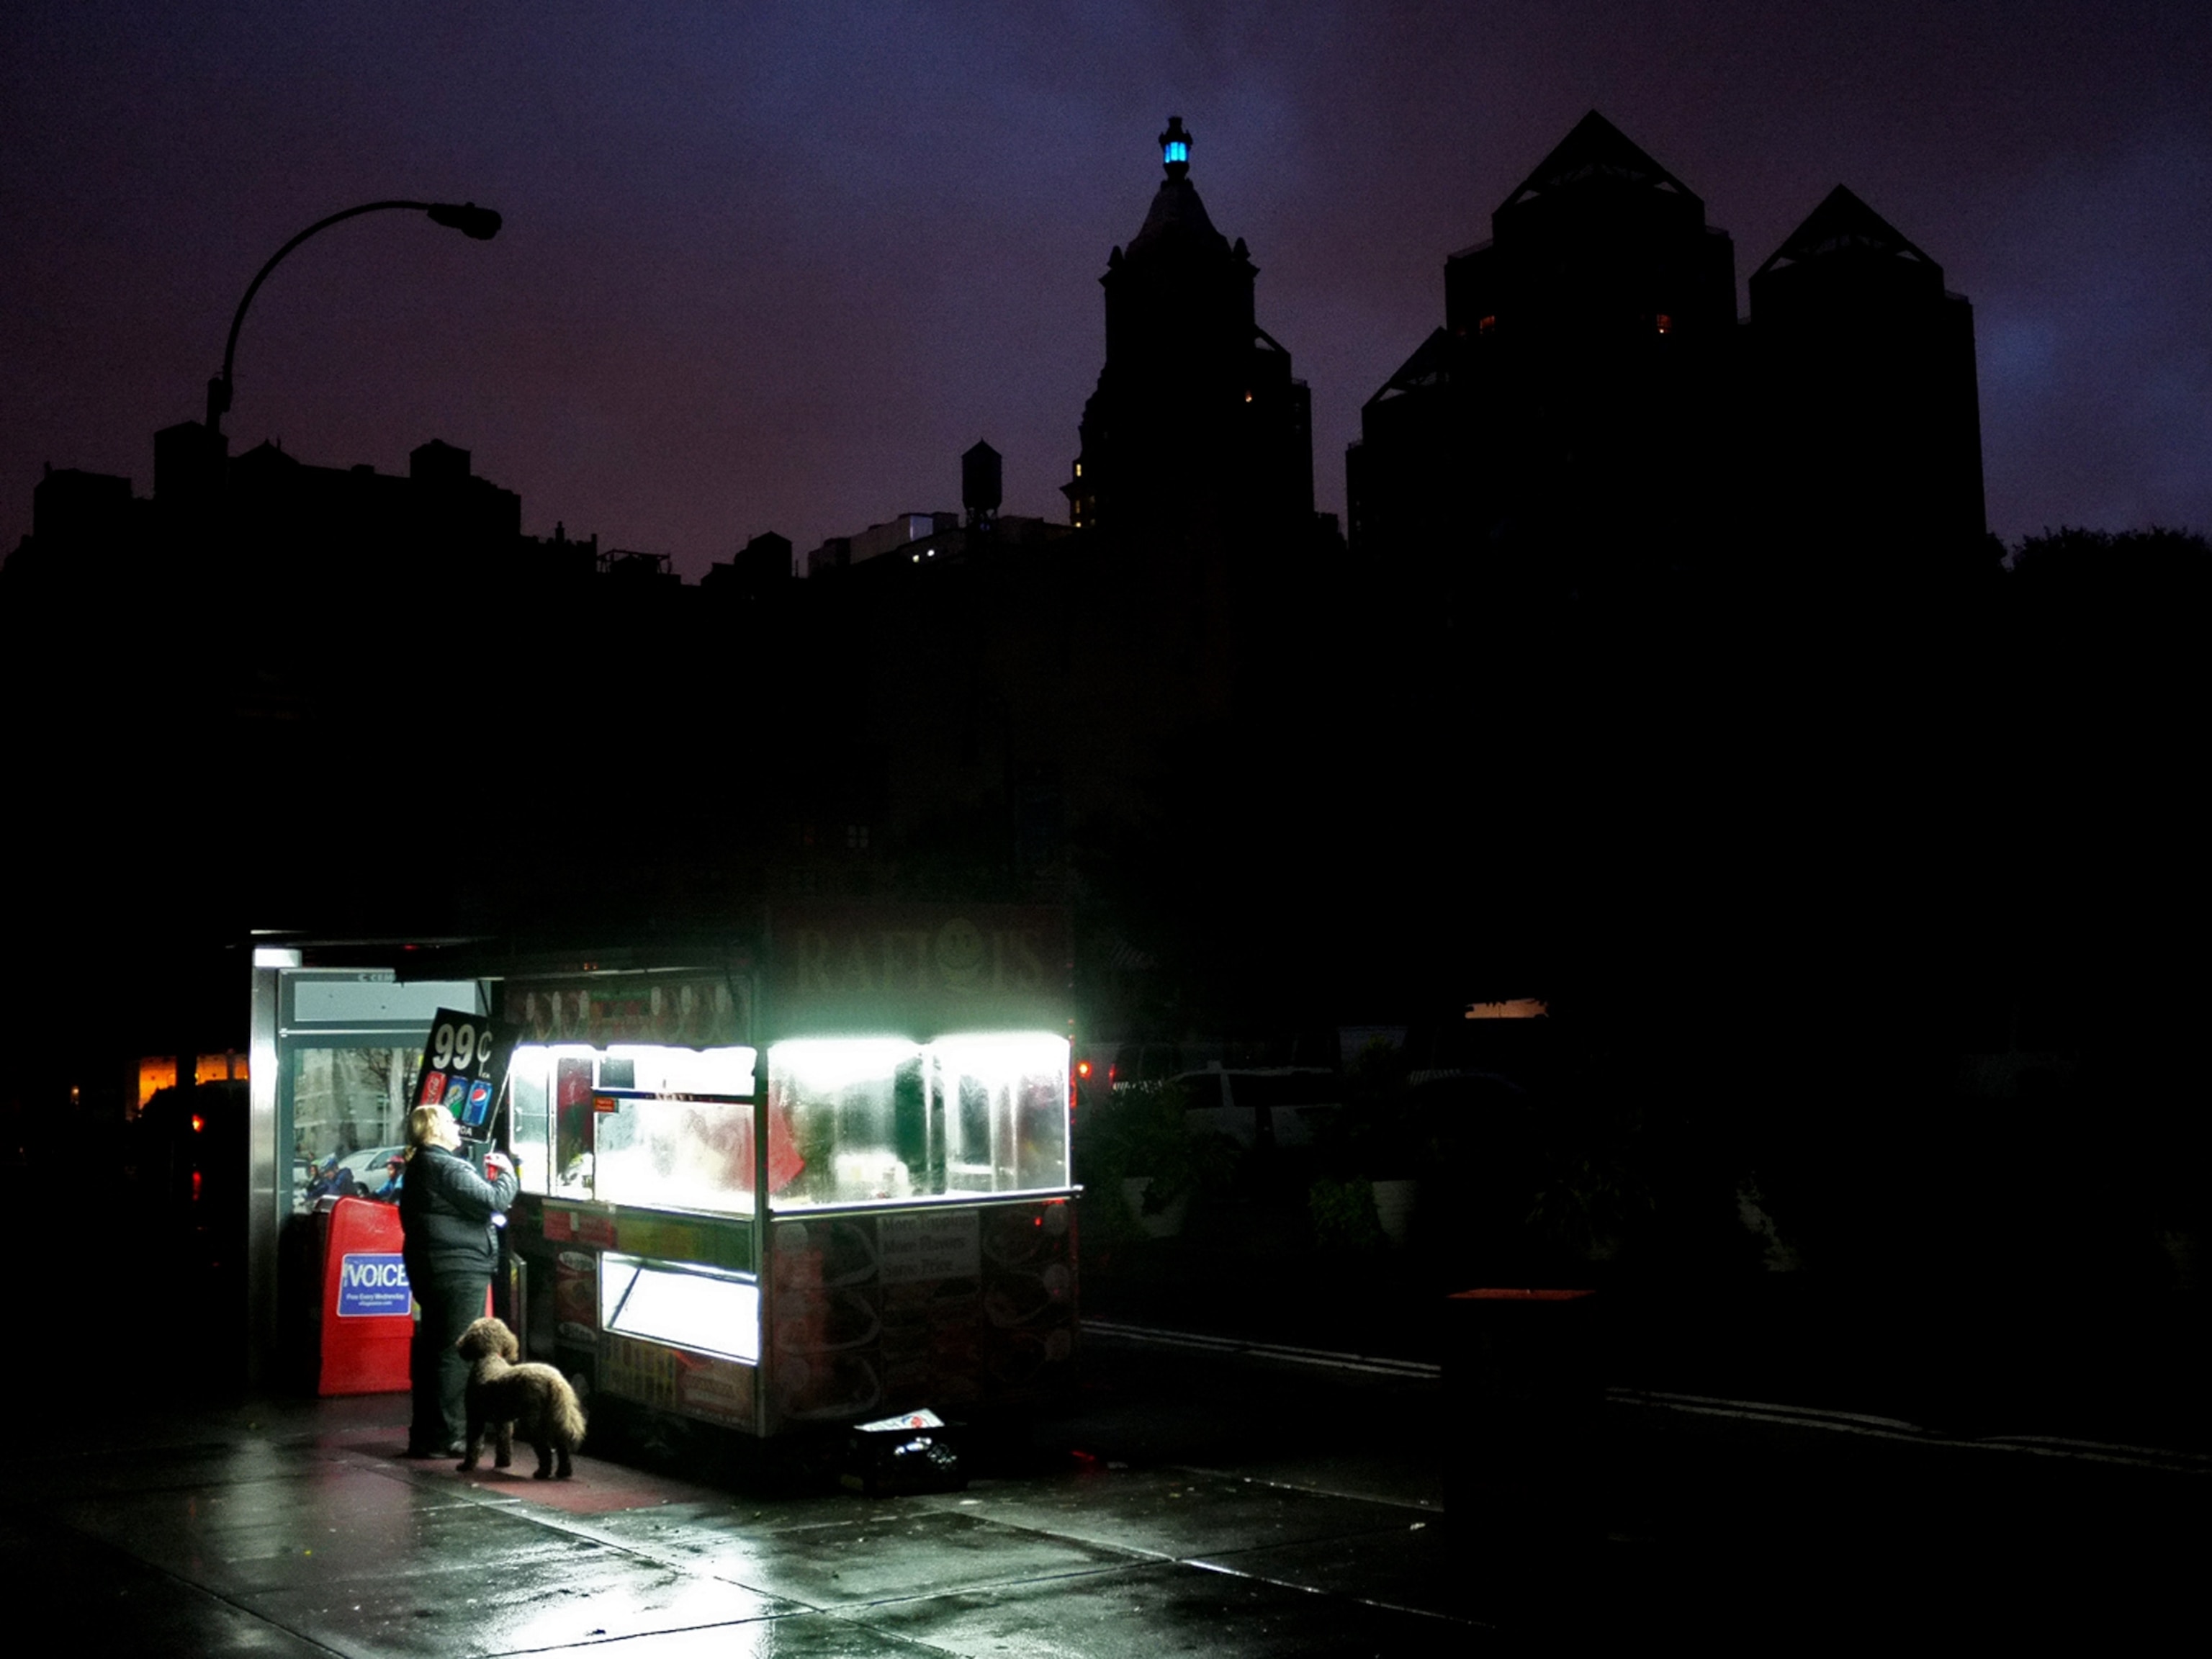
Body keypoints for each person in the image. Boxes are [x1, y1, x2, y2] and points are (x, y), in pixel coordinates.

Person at [397, 1103, 518, 1457]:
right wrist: (508, 1173)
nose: (457, 1126)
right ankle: (448, 1436)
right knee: (456, 1352)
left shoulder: (422, 1165)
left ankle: (427, 1435)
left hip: (434, 1267)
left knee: (436, 1350)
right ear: (435, 1129)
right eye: (450, 1121)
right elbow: (494, 1201)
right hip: (458, 1269)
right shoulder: (446, 1166)